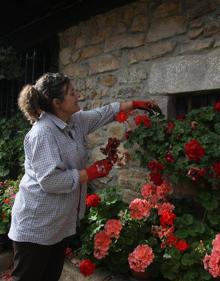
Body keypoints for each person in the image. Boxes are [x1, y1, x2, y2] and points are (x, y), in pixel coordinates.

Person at [8, 72, 157, 281]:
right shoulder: (42, 134)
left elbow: (102, 114)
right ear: (57, 103)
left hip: (58, 223)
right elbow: (50, 181)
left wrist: (133, 104)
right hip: (37, 225)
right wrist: (90, 173)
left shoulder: (74, 121)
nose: (77, 96)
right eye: (72, 93)